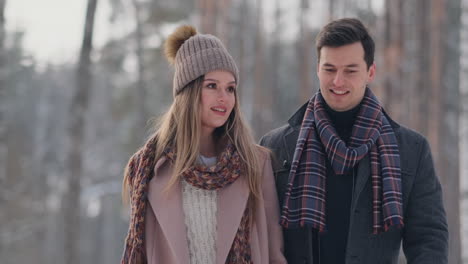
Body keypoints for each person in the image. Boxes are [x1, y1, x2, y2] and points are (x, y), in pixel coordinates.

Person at [260, 18, 448, 264]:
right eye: (329, 69)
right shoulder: (275, 146)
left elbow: (429, 238)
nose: (338, 81)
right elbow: (258, 235)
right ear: (317, 68)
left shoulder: (411, 150)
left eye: (350, 70)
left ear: (370, 72)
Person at [120, 25, 286, 264]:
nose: (224, 97)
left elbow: (274, 253)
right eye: (212, 86)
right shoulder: (148, 167)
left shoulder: (255, 164)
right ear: (188, 92)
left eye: (230, 88)